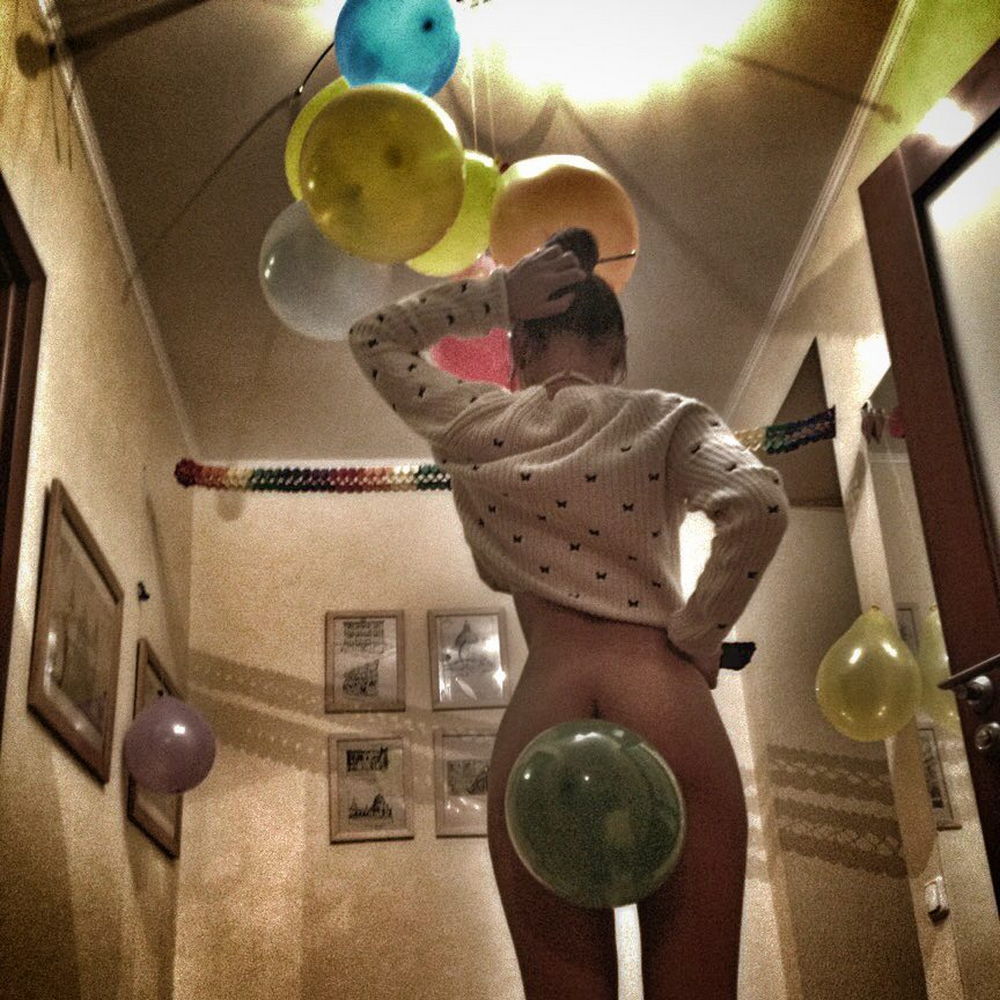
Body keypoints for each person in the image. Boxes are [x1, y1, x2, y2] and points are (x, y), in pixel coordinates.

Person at [349, 229, 789, 1000]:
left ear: (517, 349)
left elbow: (373, 337)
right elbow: (759, 503)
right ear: (618, 348)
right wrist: (698, 636)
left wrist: (496, 295)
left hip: (545, 711)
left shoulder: (474, 423)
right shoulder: (665, 416)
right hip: (663, 697)